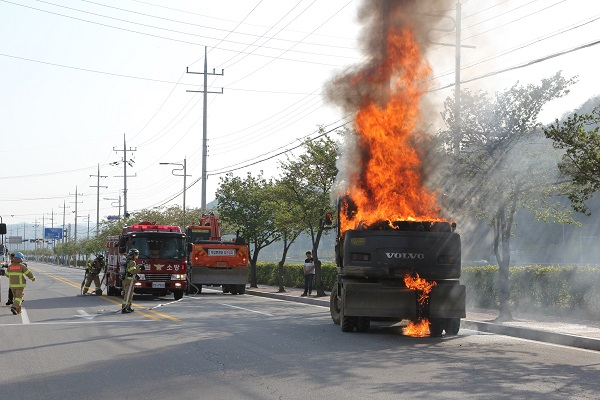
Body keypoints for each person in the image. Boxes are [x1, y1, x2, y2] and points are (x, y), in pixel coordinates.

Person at [121, 248, 141, 314]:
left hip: (128, 280)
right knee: (127, 295)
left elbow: (129, 271)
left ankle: (128, 307)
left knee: (130, 295)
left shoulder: (128, 261)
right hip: (129, 280)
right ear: (133, 255)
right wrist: (140, 269)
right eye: (136, 255)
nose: (137, 256)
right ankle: (124, 308)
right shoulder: (132, 262)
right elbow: (132, 271)